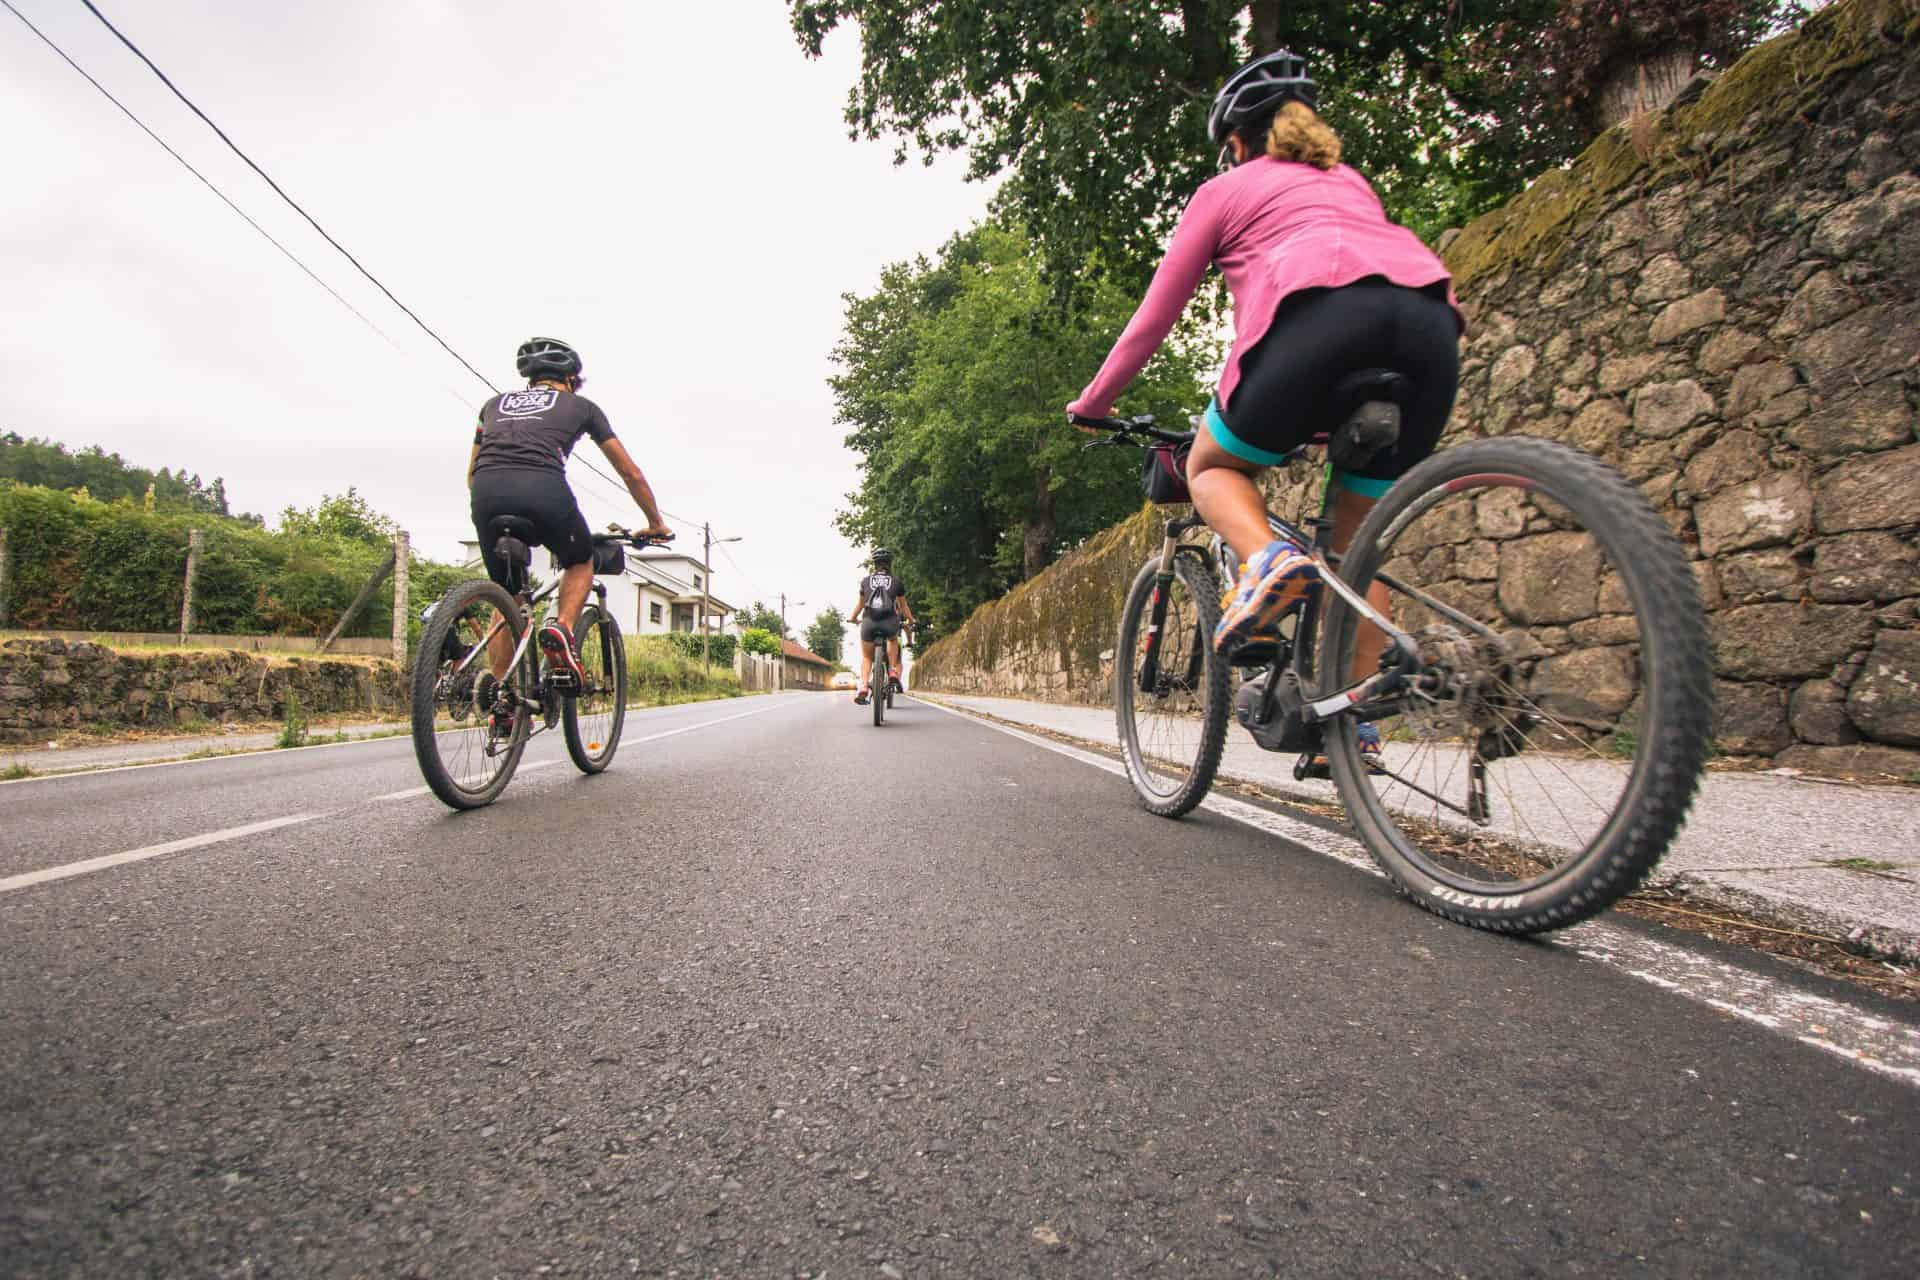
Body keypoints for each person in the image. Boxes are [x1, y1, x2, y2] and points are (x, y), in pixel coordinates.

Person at [1066, 50, 1466, 768]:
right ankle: (1355, 727)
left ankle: (1267, 559)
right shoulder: (1349, 181)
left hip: (1317, 320)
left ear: (1238, 142)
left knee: (1211, 465)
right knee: (1354, 544)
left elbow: (1153, 321)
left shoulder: (1226, 189)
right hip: (1430, 324)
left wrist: (1093, 403)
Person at [469, 337, 672, 685]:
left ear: (530, 379)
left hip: (487, 494)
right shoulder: (581, 407)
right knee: (580, 559)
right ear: (570, 381)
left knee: (508, 598)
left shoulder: (492, 405)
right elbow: (630, 473)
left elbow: (471, 473)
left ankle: (500, 700)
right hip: (543, 489)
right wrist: (655, 522)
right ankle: (562, 630)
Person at [846, 549, 915, 705]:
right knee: (892, 640)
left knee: (866, 657)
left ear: (875, 564)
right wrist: (911, 620)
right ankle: (892, 670)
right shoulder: (896, 581)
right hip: (889, 622)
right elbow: (903, 606)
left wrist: (852, 618)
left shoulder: (865, 581)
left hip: (869, 622)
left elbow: (861, 604)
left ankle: (863, 685)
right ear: (890, 563)